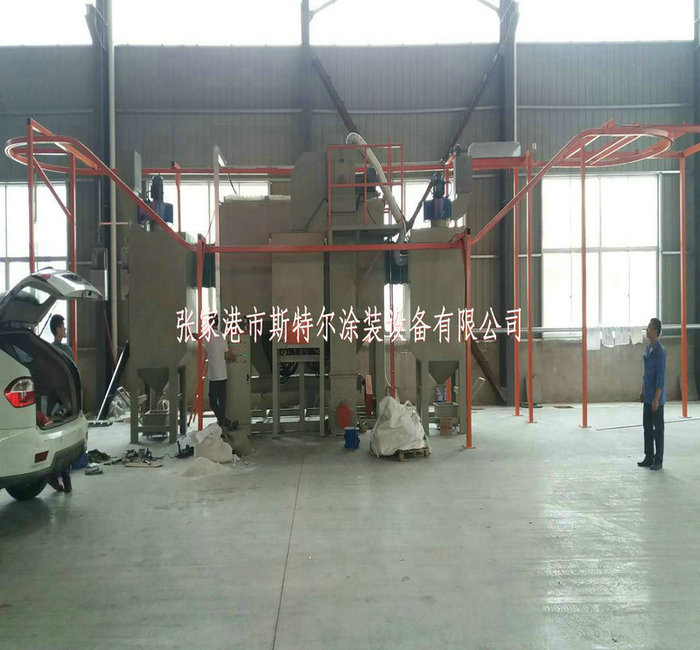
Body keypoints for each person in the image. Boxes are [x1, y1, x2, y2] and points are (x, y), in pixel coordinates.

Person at [48, 314, 75, 493]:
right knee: (63, 439)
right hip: (65, 401)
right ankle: (64, 480)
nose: (65, 329)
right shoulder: (65, 350)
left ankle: (59, 479)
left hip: (54, 402)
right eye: (63, 326)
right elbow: (73, 373)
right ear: (57, 328)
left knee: (57, 440)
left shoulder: (49, 350)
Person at [637, 318, 666, 471]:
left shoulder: (660, 352)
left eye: (649, 328)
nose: (646, 330)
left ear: (655, 331)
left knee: (658, 430)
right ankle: (648, 457)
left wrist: (656, 399)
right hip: (648, 395)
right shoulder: (648, 348)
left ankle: (658, 460)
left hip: (656, 399)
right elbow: (646, 374)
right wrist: (643, 390)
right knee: (647, 427)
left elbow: (661, 377)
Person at [202, 313, 238, 430]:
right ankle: (224, 422)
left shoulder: (208, 335)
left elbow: (198, 338)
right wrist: (235, 357)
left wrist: (189, 333)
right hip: (223, 374)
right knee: (222, 402)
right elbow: (227, 353)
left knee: (212, 402)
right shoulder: (222, 335)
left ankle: (223, 421)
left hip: (214, 375)